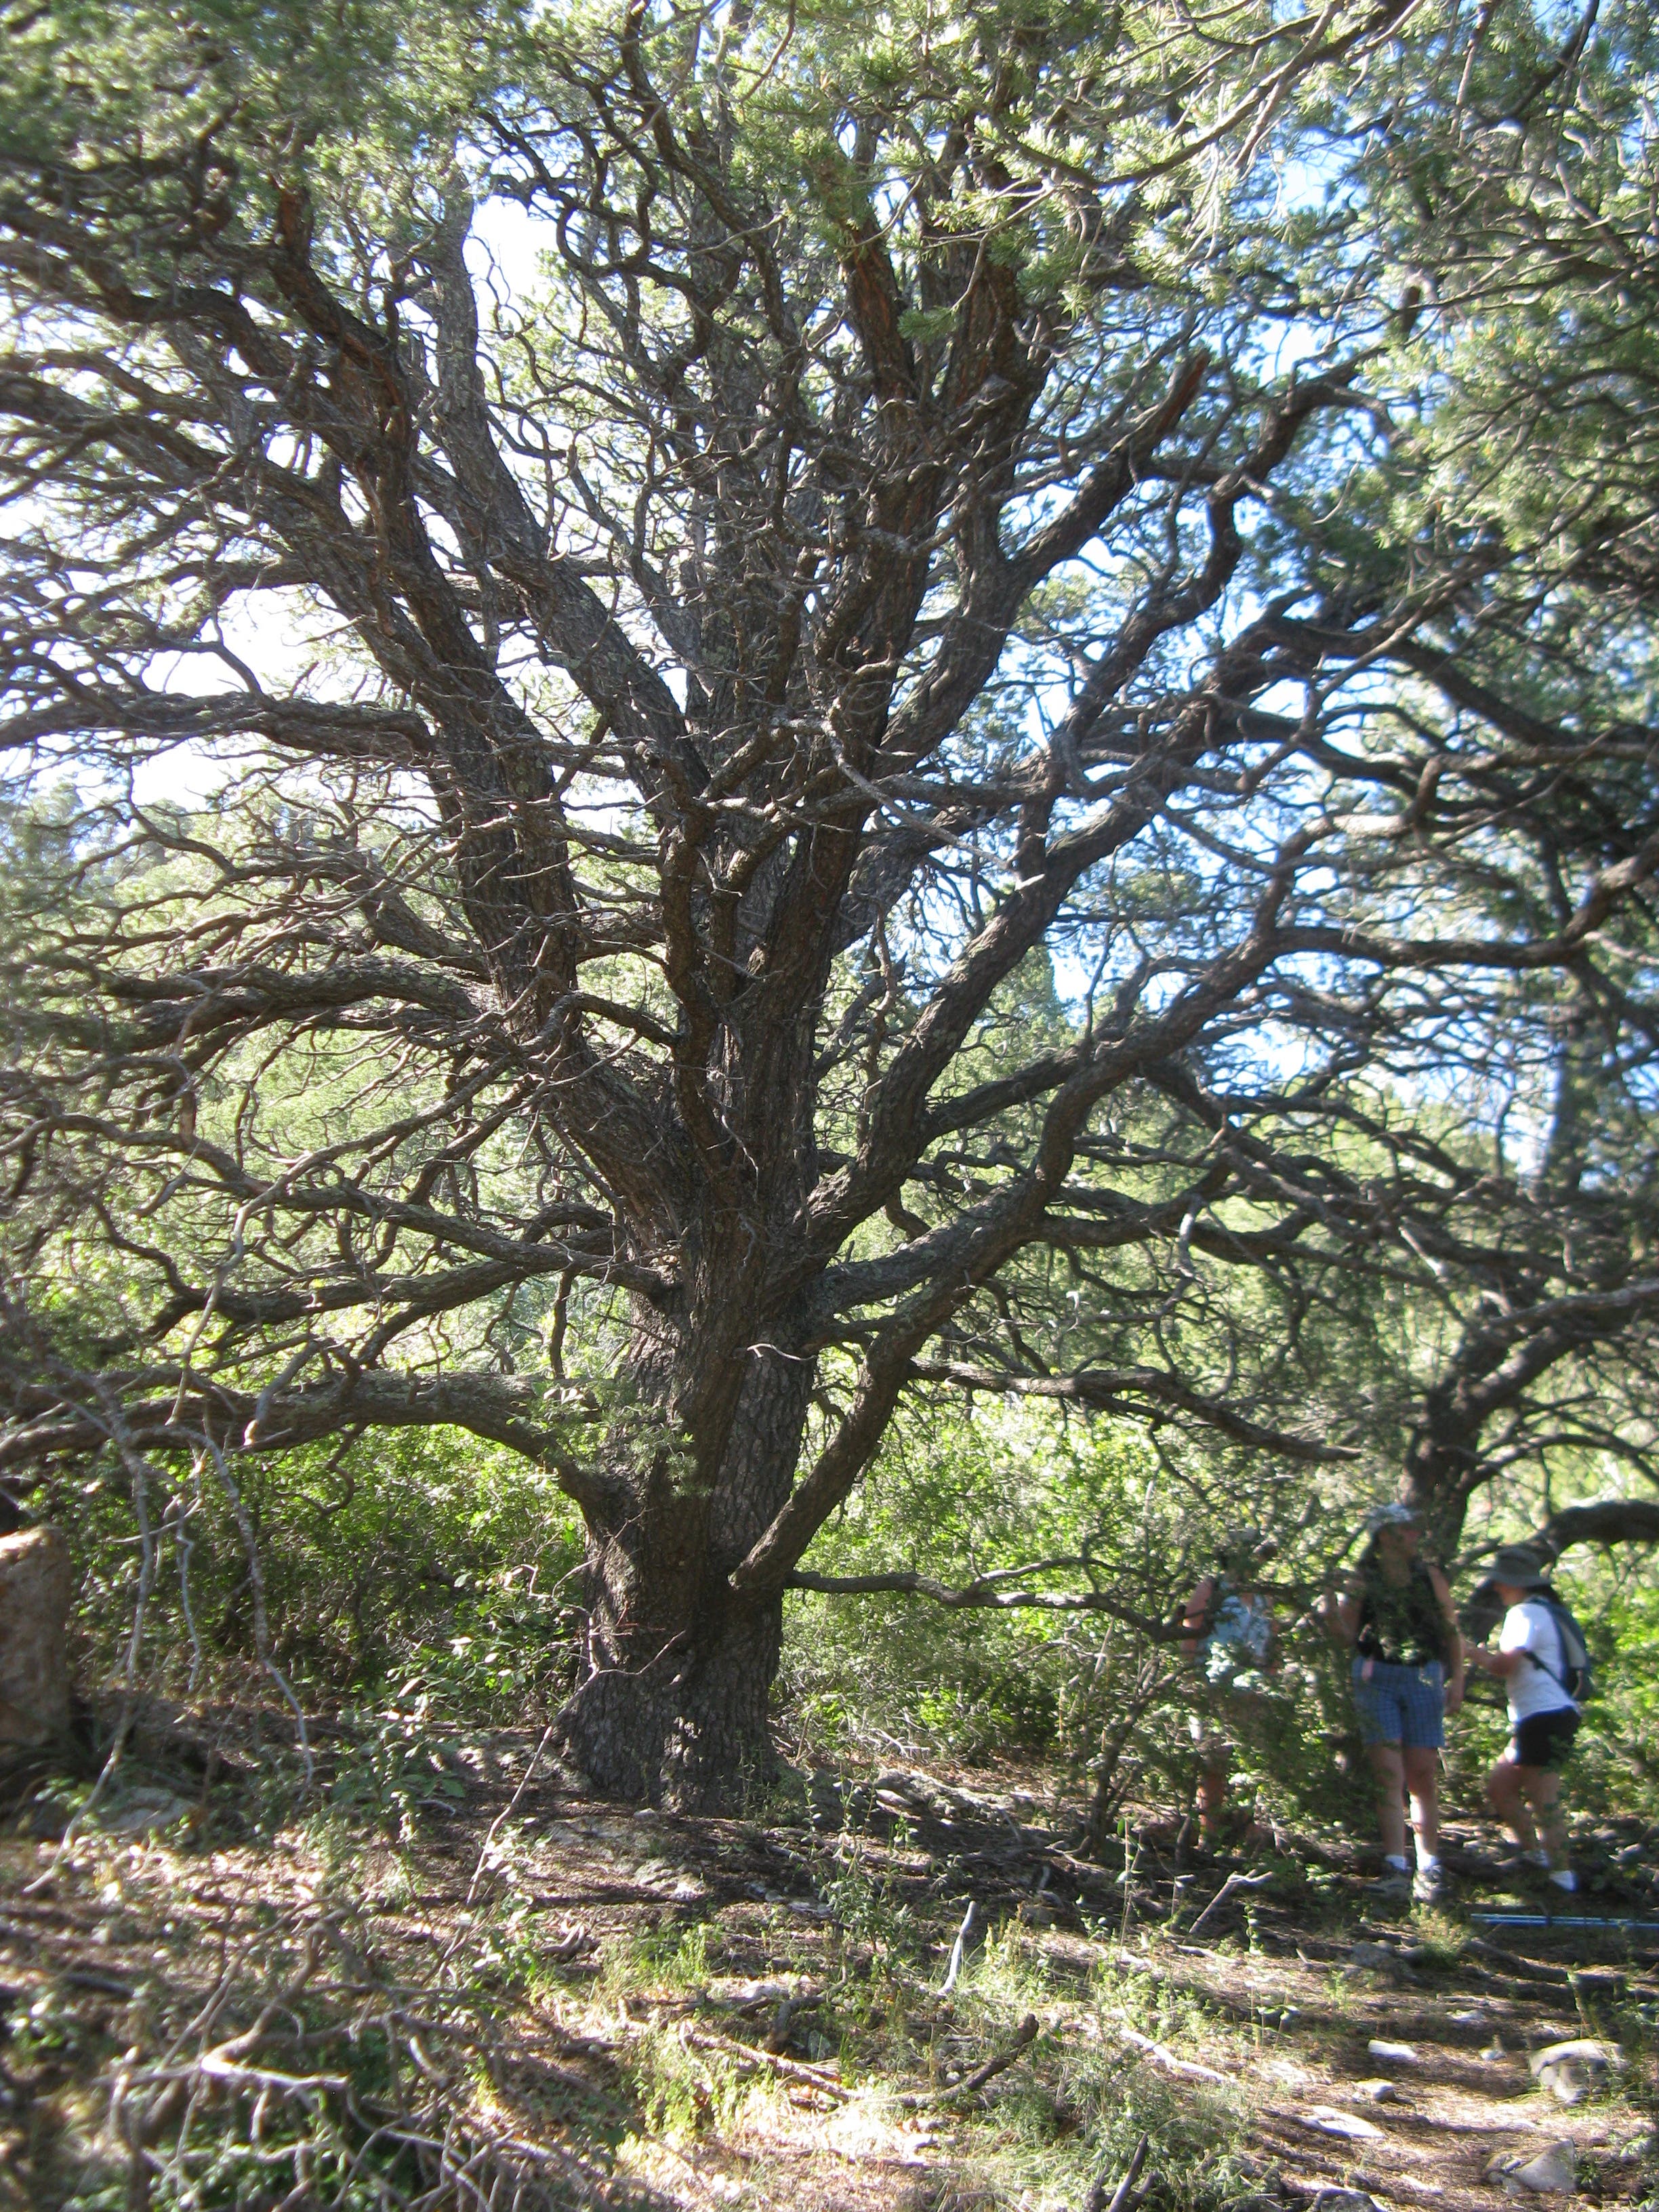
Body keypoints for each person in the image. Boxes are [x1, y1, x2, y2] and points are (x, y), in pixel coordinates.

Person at [1327, 1502, 1465, 1902]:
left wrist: (1458, 1679)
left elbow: (1451, 1630)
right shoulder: (1364, 1578)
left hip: (1424, 1676)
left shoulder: (1429, 1576)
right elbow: (1345, 1636)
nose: (1414, 1536)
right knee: (1388, 1773)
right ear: (1385, 1536)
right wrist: (1328, 1602)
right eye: (1406, 1529)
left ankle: (1430, 1867)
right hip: (1378, 1679)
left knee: (1422, 1773)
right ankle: (1395, 1866)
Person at [1466, 1546, 1580, 1894]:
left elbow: (1504, 1665)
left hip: (1544, 1716)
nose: (1497, 1588)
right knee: (1500, 1787)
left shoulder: (1525, 1613)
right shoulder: (1541, 1611)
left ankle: (1561, 1880)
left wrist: (1468, 1651)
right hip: (1538, 1717)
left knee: (1544, 1799)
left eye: (1501, 1582)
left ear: (1517, 1584)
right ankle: (1535, 1858)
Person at [1181, 1528, 1279, 1850]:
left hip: (1256, 1694)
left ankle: (1247, 1832)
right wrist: (1192, 1681)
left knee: (1251, 1764)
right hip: (1214, 1689)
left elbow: (1273, 1642)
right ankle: (1209, 1835)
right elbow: (1190, 1634)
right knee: (1213, 1762)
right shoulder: (1211, 1588)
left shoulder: (1265, 1596)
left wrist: (1273, 1682)